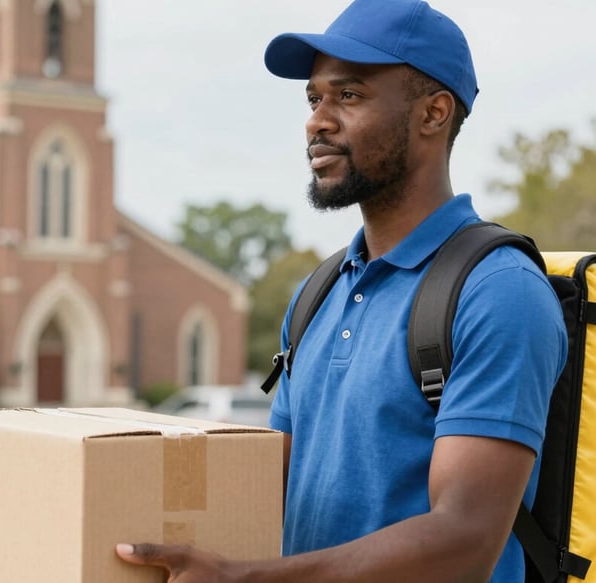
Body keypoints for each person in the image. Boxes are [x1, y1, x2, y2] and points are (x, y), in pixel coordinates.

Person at [117, 0, 568, 580]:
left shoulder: (499, 292)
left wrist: (239, 579)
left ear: (433, 114)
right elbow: (266, 487)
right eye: (313, 98)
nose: (317, 120)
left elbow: (465, 540)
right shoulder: (317, 293)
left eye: (348, 96)